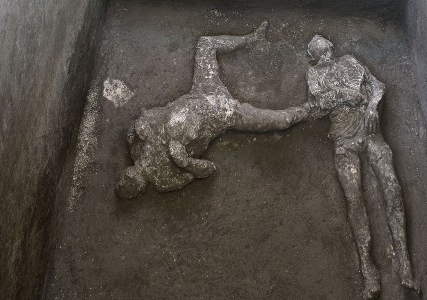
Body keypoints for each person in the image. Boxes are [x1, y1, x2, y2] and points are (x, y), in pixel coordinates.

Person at [116, 22, 308, 198]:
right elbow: (208, 170)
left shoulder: (136, 148)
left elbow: (141, 119)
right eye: (129, 185)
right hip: (222, 114)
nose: (127, 179)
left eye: (123, 179)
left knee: (205, 43)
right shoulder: (163, 181)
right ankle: (308, 109)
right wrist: (184, 162)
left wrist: (139, 125)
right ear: (140, 189)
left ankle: (251, 38)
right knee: (281, 121)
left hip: (202, 91)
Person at [306, 34, 420, 300]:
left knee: (392, 190)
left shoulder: (349, 61)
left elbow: (378, 85)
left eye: (327, 47)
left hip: (372, 135)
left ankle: (405, 265)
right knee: (355, 200)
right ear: (314, 56)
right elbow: (318, 106)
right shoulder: (313, 75)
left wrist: (371, 106)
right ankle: (368, 271)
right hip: (345, 142)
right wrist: (347, 94)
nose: (326, 50)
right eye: (320, 50)